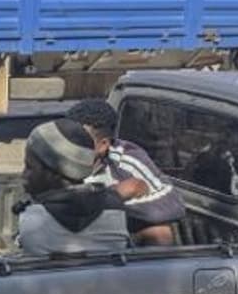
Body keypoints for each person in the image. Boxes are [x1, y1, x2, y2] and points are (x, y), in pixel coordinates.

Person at [65, 99, 185, 246]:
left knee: (160, 233)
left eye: (80, 139)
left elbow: (172, 204)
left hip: (117, 238)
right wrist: (113, 197)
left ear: (103, 145)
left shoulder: (125, 157)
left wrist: (114, 204)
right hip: (69, 239)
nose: (69, 143)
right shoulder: (54, 156)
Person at [16, 119, 130, 256]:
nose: (24, 175)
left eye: (29, 167)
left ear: (53, 173)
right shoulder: (115, 211)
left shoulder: (33, 219)